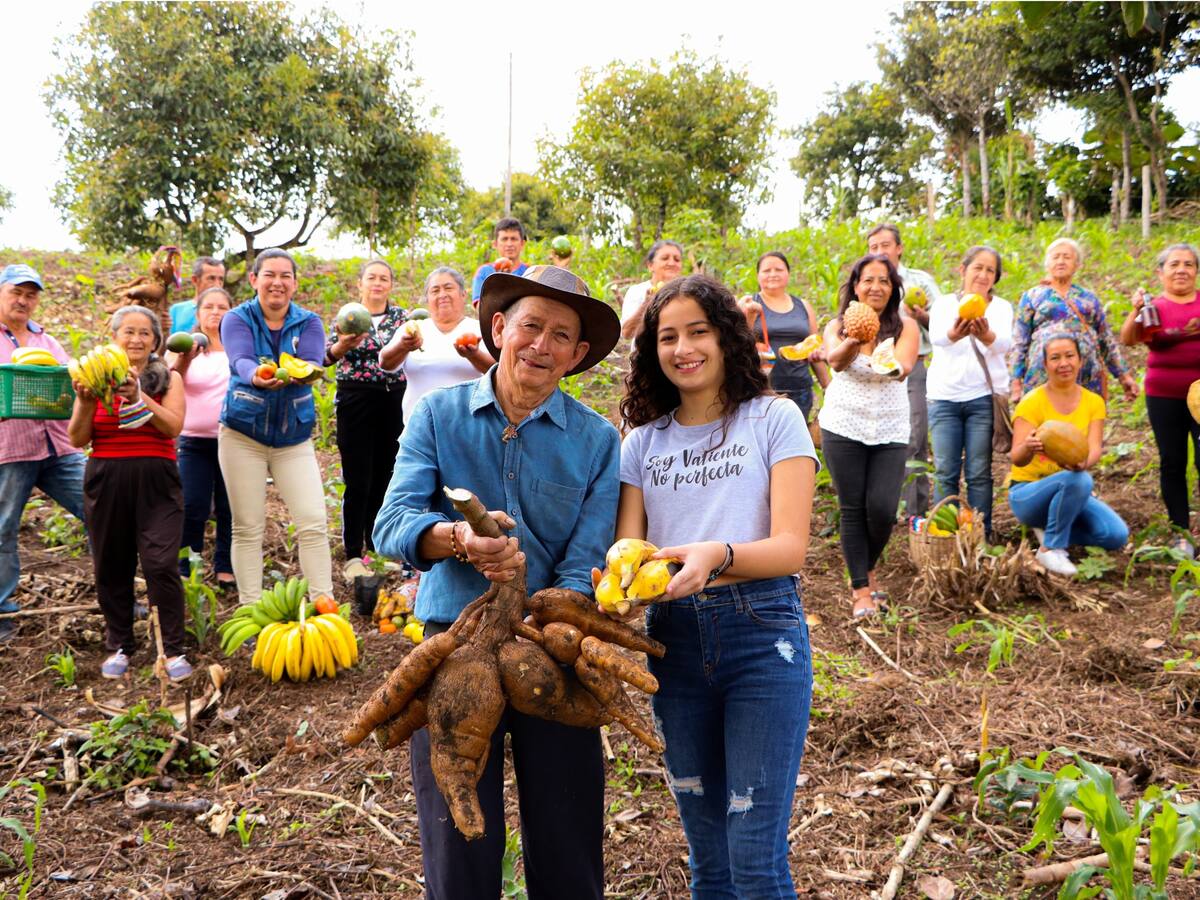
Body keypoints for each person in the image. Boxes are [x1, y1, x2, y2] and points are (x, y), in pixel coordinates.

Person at [372, 265, 621, 899]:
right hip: (454, 643)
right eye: (531, 326)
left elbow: (586, 558)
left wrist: (547, 622)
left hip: (551, 646)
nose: (541, 345)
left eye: (561, 335)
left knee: (568, 844)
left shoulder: (596, 441)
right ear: (501, 327)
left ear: (577, 354)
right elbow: (391, 523)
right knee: (458, 846)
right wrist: (456, 539)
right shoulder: (438, 415)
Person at [617, 273, 817, 896]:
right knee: (709, 860)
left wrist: (718, 555)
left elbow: (791, 548)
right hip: (674, 643)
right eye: (667, 337)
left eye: (698, 331)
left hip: (762, 637)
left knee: (755, 859)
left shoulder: (774, 418)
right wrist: (619, 593)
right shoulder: (641, 444)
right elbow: (629, 555)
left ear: (727, 336)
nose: (683, 348)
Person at [66, 305, 191, 679]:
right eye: (129, 332)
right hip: (107, 477)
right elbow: (77, 438)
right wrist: (86, 400)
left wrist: (139, 396)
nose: (136, 339)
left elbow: (173, 427)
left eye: (144, 333)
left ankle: (172, 650)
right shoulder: (95, 377)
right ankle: (119, 644)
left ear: (155, 341)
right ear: (115, 337)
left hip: (157, 479)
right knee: (111, 563)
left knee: (160, 564)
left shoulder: (168, 378)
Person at [217, 249, 334, 605]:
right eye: (269, 274)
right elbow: (240, 358)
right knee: (247, 526)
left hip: (293, 439)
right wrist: (255, 374)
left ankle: (324, 605)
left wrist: (302, 371)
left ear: (295, 284)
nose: (277, 282)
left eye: (286, 276)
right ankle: (251, 608)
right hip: (242, 435)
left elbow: (312, 362)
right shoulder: (236, 318)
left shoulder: (309, 322)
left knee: (313, 521)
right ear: (254, 280)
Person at [818, 254, 920, 617]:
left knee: (882, 509)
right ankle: (861, 589)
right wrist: (853, 339)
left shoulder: (906, 327)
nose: (876, 287)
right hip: (843, 425)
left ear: (893, 289)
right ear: (856, 287)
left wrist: (881, 352)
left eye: (884, 281)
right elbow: (835, 361)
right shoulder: (837, 326)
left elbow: (903, 367)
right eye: (868, 280)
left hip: (889, 428)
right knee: (852, 508)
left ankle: (867, 568)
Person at [0, 264, 86, 642]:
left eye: (30, 295)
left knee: (100, 506)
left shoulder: (45, 340)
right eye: (16, 292)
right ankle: (2, 611)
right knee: (3, 528)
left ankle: (116, 594)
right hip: (10, 449)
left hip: (58, 446)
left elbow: (65, 383)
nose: (23, 300)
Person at [1008, 335, 1129, 577]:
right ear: (1045, 365)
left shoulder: (1094, 402)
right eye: (1055, 358)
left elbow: (1094, 449)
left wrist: (1082, 463)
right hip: (1028, 493)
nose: (1063, 363)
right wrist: (1028, 447)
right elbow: (1016, 457)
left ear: (1080, 361)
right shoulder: (1031, 402)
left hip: (1071, 488)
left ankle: (1050, 529)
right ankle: (1051, 547)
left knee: (1115, 535)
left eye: (1069, 356)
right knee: (1080, 480)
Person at [323, 259, 408, 564]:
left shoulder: (401, 317)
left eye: (384, 278)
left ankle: (376, 547)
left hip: (393, 398)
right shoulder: (347, 316)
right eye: (371, 277)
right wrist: (343, 345)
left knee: (385, 474)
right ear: (360, 283)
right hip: (355, 399)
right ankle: (352, 551)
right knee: (357, 478)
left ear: (391, 285)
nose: (377, 283)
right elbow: (325, 357)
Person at [1119, 243, 1200, 558]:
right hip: (1164, 394)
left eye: (1189, 264)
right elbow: (1128, 339)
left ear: (1196, 271)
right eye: (1174, 264)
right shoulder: (1154, 307)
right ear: (1161, 272)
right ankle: (1181, 534)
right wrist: (1135, 311)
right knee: (1172, 461)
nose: (1181, 270)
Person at [926, 246, 1013, 537]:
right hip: (944, 398)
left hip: (982, 399)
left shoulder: (1001, 308)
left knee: (978, 472)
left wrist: (986, 335)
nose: (983, 275)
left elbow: (1005, 344)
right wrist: (955, 333)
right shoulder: (944, 304)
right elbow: (937, 338)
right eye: (978, 267)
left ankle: (980, 535)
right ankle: (945, 537)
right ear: (963, 270)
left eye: (990, 270)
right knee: (945, 472)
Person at [867, 223, 941, 517]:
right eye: (873, 247)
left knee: (915, 437)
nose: (879, 251)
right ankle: (882, 509)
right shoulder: (866, 283)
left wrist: (921, 315)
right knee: (875, 437)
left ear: (899, 248)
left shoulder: (919, 282)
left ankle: (915, 513)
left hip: (913, 368)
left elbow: (944, 326)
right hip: (872, 370)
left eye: (885, 245)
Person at [1011, 237, 1137, 405]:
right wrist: (1016, 380)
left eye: (1067, 257)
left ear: (1077, 265)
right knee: (1043, 419)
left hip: (1085, 375)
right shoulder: (1033, 296)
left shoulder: (1088, 298)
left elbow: (1105, 339)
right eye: (1056, 257)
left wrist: (1123, 376)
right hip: (1043, 375)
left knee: (1085, 418)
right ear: (1047, 264)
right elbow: (1020, 341)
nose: (1061, 261)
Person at [170, 286, 236, 589]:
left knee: (229, 506)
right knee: (193, 504)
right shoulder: (184, 346)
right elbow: (169, 380)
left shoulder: (239, 346)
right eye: (209, 307)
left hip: (233, 439)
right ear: (197, 313)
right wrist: (186, 358)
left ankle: (225, 566)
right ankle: (187, 565)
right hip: (193, 441)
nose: (215, 312)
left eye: (222, 307)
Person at [379, 266, 494, 423]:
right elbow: (385, 364)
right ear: (427, 299)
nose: (442, 295)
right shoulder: (413, 329)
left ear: (463, 294)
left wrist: (474, 355)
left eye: (448, 288)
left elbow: (498, 371)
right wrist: (403, 346)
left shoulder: (479, 329)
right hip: (419, 425)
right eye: (435, 290)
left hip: (468, 424)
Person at [737, 251, 830, 421]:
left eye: (778, 269)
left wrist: (828, 388)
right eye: (767, 270)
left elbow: (814, 347)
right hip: (761, 389)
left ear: (788, 274)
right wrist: (748, 316)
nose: (773, 274)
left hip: (799, 389)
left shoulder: (803, 306)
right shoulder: (750, 305)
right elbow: (737, 342)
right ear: (758, 276)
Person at [620, 240, 684, 340]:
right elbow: (626, 333)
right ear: (650, 265)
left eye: (677, 260)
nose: (672, 263)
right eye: (665, 258)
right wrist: (647, 304)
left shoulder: (687, 292)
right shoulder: (637, 291)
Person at [470, 217, 529, 306]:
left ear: (522, 244)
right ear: (495, 244)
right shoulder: (483, 272)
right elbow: (479, 307)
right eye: (504, 239)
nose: (509, 244)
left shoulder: (530, 271)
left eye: (513, 239)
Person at [168, 256, 226, 335]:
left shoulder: (228, 313)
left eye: (221, 279)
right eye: (211, 278)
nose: (217, 284)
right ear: (195, 280)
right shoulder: (176, 311)